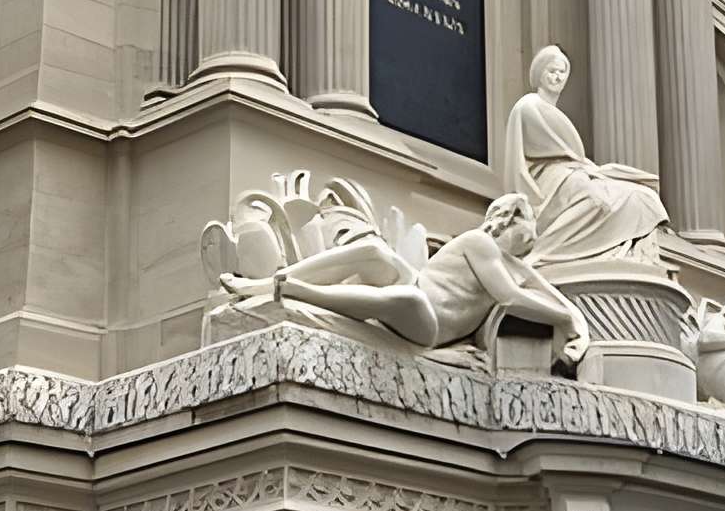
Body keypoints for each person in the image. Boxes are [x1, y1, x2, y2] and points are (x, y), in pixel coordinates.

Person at [220, 192, 588, 365]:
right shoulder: (480, 243)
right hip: (415, 289)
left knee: (408, 298)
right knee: (377, 253)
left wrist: (570, 318)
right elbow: (510, 294)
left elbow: (533, 290)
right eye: (526, 233)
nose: (526, 246)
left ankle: (301, 292)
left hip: (426, 322)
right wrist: (564, 317)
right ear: (507, 221)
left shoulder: (508, 265)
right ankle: (271, 282)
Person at [502, 45, 667, 267]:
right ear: (540, 74)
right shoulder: (528, 105)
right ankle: (542, 254)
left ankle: (621, 255)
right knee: (596, 199)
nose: (557, 76)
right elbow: (541, 154)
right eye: (551, 71)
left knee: (642, 196)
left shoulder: (553, 112)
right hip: (548, 179)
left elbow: (571, 155)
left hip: (571, 172)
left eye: (561, 72)